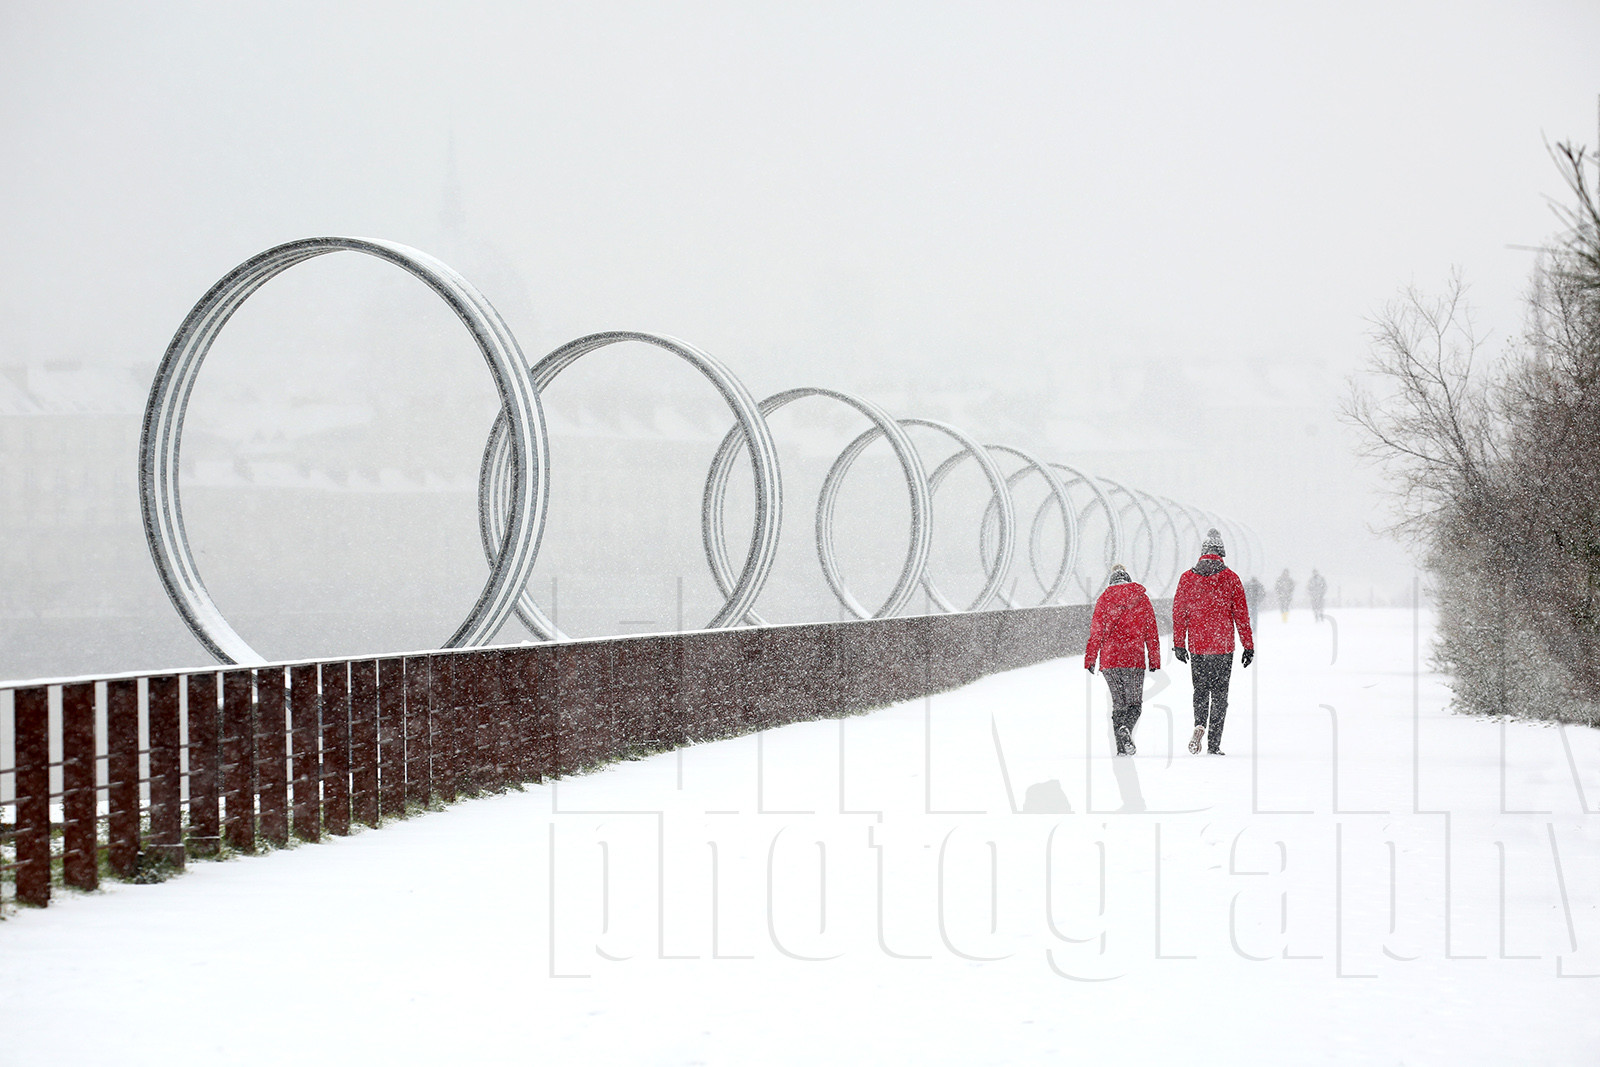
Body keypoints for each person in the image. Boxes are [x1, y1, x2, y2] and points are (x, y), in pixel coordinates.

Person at [1173, 529, 1254, 755]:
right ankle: (1214, 743)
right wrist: (1248, 645)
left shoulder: (1187, 579)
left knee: (1200, 691)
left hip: (1198, 647)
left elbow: (1179, 613)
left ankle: (1199, 723)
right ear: (1222, 553)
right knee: (1220, 695)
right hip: (1223, 647)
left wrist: (1179, 643)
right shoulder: (1231, 579)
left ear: (1203, 553)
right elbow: (1241, 615)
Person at [1084, 563, 1161, 756]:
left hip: (1110, 660)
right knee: (1134, 704)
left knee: (1119, 704)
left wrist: (1091, 658)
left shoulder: (1104, 600)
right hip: (1133, 658)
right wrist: (1154, 658)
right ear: (1128, 578)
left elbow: (1096, 632)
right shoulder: (1142, 599)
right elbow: (1151, 632)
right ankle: (1126, 729)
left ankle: (1121, 747)